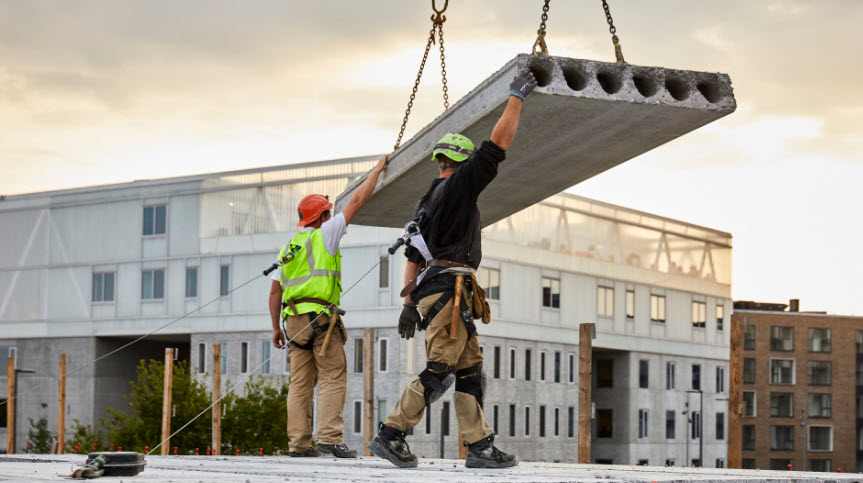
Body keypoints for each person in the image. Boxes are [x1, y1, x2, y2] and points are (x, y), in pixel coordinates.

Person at [368, 70, 537, 469]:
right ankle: (392, 434)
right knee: (440, 369)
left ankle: (479, 446)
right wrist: (516, 97)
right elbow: (497, 146)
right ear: (459, 162)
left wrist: (409, 301)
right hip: (450, 290)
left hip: (439, 291)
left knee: (470, 369)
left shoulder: (426, 199)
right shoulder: (459, 187)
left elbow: (413, 254)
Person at [268, 154, 388, 458]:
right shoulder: (325, 235)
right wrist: (376, 171)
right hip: (320, 318)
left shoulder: (289, 247)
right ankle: (331, 439)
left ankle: (298, 445)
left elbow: (274, 292)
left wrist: (274, 329)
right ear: (322, 216)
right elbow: (357, 201)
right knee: (333, 376)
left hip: (292, 321)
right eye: (328, 213)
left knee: (299, 384)